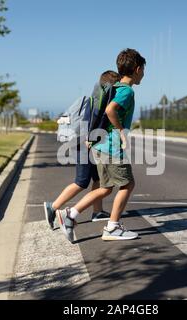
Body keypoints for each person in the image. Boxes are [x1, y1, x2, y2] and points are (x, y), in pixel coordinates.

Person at [56, 48, 146, 243]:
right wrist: (122, 131)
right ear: (137, 69)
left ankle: (69, 214)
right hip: (112, 147)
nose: (143, 74)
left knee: (105, 188)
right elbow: (110, 110)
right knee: (128, 184)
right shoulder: (127, 91)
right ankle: (112, 227)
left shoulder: (113, 88)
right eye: (143, 70)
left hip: (100, 145)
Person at [44, 71, 121, 230]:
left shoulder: (95, 99)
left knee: (98, 179)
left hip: (84, 143)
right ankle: (52, 207)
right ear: (110, 86)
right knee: (81, 181)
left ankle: (97, 212)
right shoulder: (99, 102)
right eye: (117, 86)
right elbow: (91, 124)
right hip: (82, 144)